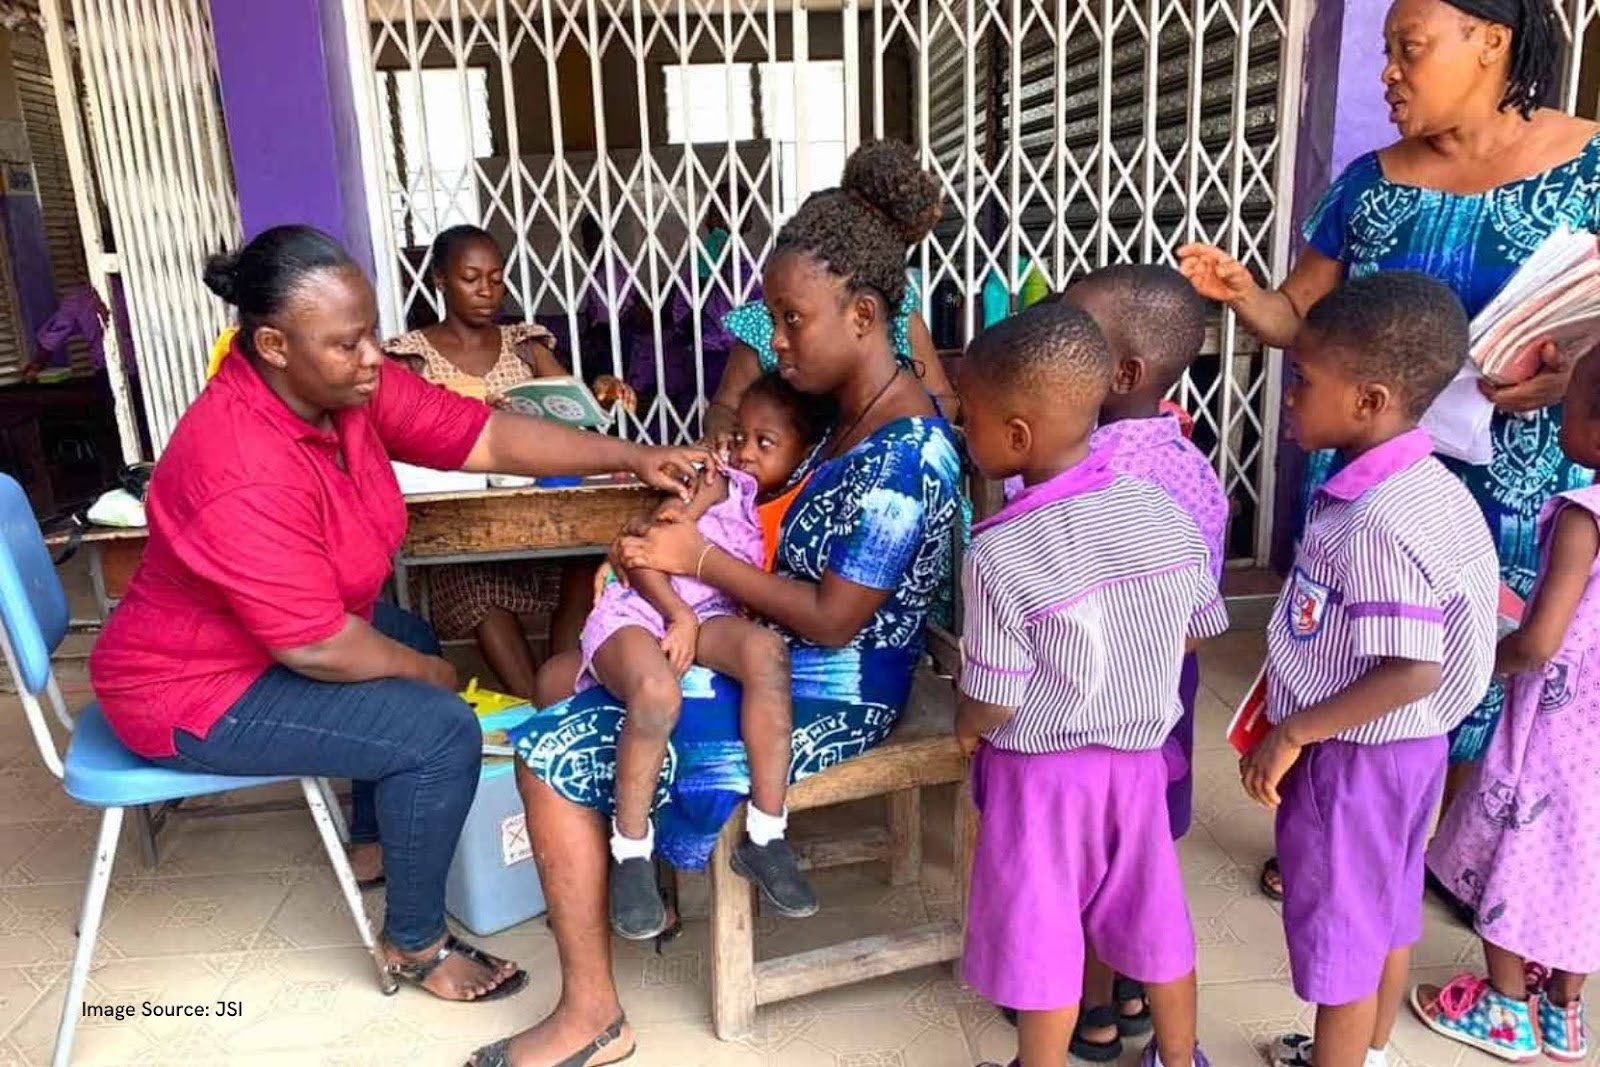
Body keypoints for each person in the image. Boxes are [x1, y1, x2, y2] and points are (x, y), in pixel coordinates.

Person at [87, 225, 707, 1006]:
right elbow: (316, 645)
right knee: (436, 722)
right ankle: (415, 940)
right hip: (189, 692)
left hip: (255, 652)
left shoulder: (339, 390)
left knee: (406, 633)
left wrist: (627, 454)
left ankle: (374, 842)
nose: (373, 356)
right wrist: (436, 677)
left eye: (371, 332)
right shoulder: (238, 458)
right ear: (274, 344)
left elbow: (481, 433)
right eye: (347, 343)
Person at [470, 140, 961, 1067]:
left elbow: (832, 619)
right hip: (773, 650)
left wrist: (696, 556)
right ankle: (626, 885)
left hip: (836, 682)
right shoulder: (836, 418)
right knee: (562, 676)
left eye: (790, 320)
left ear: (864, 316)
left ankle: (592, 1011)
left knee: (552, 746)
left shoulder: (906, 453)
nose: (773, 341)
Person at [1180, 0, 1600, 902]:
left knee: (1476, 660)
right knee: (1348, 650)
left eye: (1409, 50)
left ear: (1491, 42)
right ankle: (1327, 830)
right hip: (1372, 486)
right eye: (1387, 53)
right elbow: (1300, 319)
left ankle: (1430, 845)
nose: (1390, 74)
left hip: (1515, 481)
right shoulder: (1367, 184)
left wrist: (1570, 374)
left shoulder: (1590, 167)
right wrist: (1248, 296)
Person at [958, 299, 1228, 1067]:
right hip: (1140, 763)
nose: (962, 428)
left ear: (1016, 436)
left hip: (1039, 779)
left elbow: (997, 693)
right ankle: (1182, 1060)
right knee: (1155, 921)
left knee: (1041, 935)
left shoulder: (1001, 550)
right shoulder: (1160, 508)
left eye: (969, 416)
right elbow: (1196, 626)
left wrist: (965, 725)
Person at [1245, 274, 1498, 1067]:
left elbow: (1411, 668)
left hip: (1354, 759)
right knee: (1386, 912)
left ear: (1370, 399)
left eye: (1304, 382)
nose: (1287, 396)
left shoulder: (1381, 520)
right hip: (1409, 755)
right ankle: (1371, 1053)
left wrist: (1293, 732)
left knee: (1344, 939)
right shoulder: (1430, 487)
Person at [583, 375, 832, 940]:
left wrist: (700, 619)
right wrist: (680, 615)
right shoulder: (713, 480)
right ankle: (631, 851)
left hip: (710, 615)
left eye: (765, 444)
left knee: (767, 654)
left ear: (801, 455)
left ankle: (767, 836)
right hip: (640, 611)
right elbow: (640, 550)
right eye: (742, 434)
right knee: (656, 693)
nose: (744, 450)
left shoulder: (792, 502)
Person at [1409, 351, 1600, 1063]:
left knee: (1515, 853)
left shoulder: (1586, 514)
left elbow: (1544, 640)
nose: (1560, 420)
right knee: (1583, 864)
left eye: (1571, 406)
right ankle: (1565, 1014)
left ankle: (1507, 1006)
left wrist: (1486, 660)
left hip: (1556, 727)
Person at [1066, 265, 1231, 1062]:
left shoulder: (1086, 470)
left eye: (1071, 336)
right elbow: (1201, 615)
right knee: (1144, 847)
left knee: (1092, 853)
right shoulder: (1190, 462)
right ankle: (1134, 981)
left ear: (1122, 373)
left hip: (1094, 698)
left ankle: (1095, 1007)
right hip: (1166, 689)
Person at [383, 225, 636, 699]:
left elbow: (569, 407)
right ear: (439, 279)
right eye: (471, 278)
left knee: (583, 564)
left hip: (540, 507)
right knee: (470, 583)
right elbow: (395, 434)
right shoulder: (409, 358)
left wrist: (597, 391)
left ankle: (563, 691)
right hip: (460, 519)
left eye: (496, 279)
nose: (486, 291)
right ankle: (535, 705)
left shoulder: (524, 344)